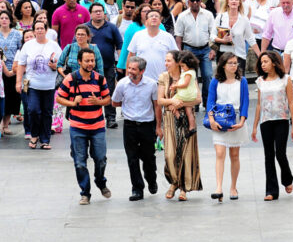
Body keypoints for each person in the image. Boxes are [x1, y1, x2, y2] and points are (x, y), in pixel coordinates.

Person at [55, 46, 113, 205]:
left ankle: (100, 182)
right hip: (78, 127)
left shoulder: (100, 79)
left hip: (97, 126)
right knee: (80, 162)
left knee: (100, 159)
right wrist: (73, 103)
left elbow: (108, 100)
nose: (90, 63)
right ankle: (85, 193)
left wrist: (98, 102)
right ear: (79, 61)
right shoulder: (71, 79)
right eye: (87, 61)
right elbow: (59, 98)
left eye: (92, 60)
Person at [112, 55, 161, 201]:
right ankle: (137, 188)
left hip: (147, 125)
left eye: (133, 69)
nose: (130, 71)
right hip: (130, 125)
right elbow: (114, 102)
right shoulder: (122, 84)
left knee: (149, 158)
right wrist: (127, 105)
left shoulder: (152, 84)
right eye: (129, 68)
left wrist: (159, 126)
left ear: (142, 71)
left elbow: (157, 105)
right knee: (132, 158)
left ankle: (151, 179)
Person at [252, 50, 293, 201]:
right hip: (266, 121)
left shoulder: (285, 79)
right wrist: (254, 126)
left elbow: (291, 101)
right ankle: (271, 190)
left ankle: (287, 178)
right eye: (261, 62)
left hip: (282, 119)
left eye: (265, 62)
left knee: (280, 153)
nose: (263, 65)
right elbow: (259, 104)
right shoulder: (260, 81)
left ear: (274, 62)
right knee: (268, 155)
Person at [157, 51, 203, 201]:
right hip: (170, 119)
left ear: (178, 63)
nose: (166, 63)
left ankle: (183, 187)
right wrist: (172, 102)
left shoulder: (188, 75)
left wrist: (181, 103)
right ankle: (174, 182)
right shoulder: (163, 77)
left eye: (169, 61)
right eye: (165, 60)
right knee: (170, 154)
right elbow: (160, 101)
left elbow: (198, 99)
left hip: (186, 117)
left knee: (186, 154)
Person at [205, 53, 250, 201]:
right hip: (219, 119)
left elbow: (245, 101)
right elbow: (210, 100)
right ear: (223, 65)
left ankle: (233, 186)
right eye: (230, 63)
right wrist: (211, 119)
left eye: (235, 63)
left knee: (234, 155)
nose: (234, 66)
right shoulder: (216, 81)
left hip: (235, 118)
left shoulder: (242, 81)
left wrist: (242, 121)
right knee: (219, 153)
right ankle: (219, 187)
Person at [15, 20, 63, 150]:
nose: (40, 30)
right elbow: (21, 64)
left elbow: (61, 63)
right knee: (33, 110)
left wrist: (55, 66)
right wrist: (18, 82)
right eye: (37, 28)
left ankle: (45, 139)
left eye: (42, 28)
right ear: (34, 30)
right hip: (32, 84)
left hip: (49, 85)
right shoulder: (28, 45)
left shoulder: (54, 45)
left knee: (47, 112)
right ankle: (34, 135)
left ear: (46, 30)